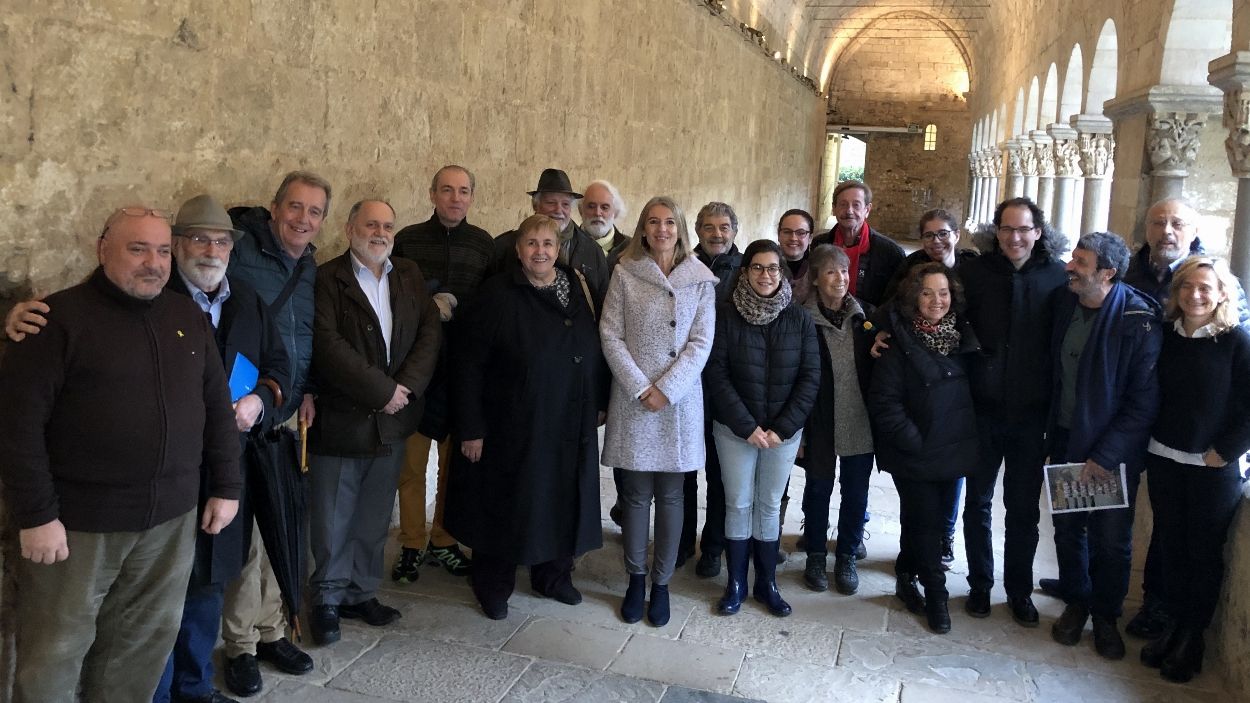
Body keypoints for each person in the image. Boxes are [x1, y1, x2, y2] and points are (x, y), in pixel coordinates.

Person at [0, 205, 240, 703]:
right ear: (102, 249)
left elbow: (216, 405)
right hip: (79, 526)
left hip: (171, 522)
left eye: (159, 250)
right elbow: (17, 428)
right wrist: (36, 515)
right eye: (136, 249)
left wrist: (226, 485)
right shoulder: (56, 320)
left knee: (141, 648)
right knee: (54, 654)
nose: (152, 262)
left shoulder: (186, 317)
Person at [155, 195, 291, 703]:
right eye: (199, 239)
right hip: (167, 469)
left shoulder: (247, 301)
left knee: (209, 584)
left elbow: (280, 369)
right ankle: (158, 693)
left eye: (220, 241)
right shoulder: (155, 296)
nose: (210, 251)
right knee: (159, 591)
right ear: (176, 245)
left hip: (227, 469)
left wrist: (259, 400)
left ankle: (192, 687)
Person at [444, 214, 607, 620]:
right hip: (513, 425)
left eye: (548, 244)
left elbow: (594, 348)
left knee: (559, 500)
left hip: (568, 421)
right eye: (531, 243)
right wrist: (471, 427)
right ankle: (493, 585)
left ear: (559, 248)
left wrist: (599, 399)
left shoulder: (576, 287)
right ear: (518, 250)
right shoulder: (498, 294)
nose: (540, 251)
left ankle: (553, 576)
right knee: (506, 504)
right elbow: (467, 364)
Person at [305, 200, 441, 646]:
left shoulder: (408, 274)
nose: (380, 232)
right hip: (345, 419)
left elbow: (428, 334)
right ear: (349, 229)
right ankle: (326, 599)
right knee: (332, 516)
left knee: (373, 515)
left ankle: (361, 593)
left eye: (387, 225)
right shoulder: (327, 280)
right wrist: (381, 391)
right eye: (370, 225)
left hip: (395, 420)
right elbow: (326, 345)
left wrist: (405, 389)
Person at [221, 171, 329, 695]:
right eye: (295, 207)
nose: (302, 219)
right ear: (273, 208)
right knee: (242, 532)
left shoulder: (308, 266)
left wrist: (304, 389)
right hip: (240, 409)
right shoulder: (241, 252)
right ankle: (240, 643)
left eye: (313, 212)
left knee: (274, 529)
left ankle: (269, 630)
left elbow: (302, 338)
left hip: (283, 410)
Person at [601, 196, 717, 627]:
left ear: (681, 229)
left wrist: (666, 389)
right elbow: (610, 335)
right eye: (654, 222)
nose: (663, 229)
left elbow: (701, 342)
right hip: (634, 402)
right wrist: (640, 387)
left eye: (670, 222)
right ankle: (635, 578)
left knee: (671, 496)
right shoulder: (626, 274)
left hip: (680, 403)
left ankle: (662, 582)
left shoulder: (701, 279)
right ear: (643, 230)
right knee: (633, 496)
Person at [1047, 232, 1161, 661]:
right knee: (1068, 530)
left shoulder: (1138, 319)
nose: (1070, 267)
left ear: (1108, 273)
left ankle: (1106, 616)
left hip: (1112, 454)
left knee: (1112, 541)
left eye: (1080, 261)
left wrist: (1105, 456)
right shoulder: (1066, 303)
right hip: (1067, 438)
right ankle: (1077, 603)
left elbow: (1142, 400)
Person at [1138, 257, 1250, 682]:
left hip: (1211, 468)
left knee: (1202, 556)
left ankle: (1192, 639)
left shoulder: (1236, 342)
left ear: (1222, 292)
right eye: (1187, 287)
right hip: (1165, 457)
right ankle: (1173, 628)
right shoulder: (1167, 336)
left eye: (1205, 288)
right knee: (1171, 547)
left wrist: (1226, 450)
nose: (1195, 295)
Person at [958, 197, 1067, 628]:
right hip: (982, 411)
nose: (1015, 237)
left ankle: (1019, 590)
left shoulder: (1059, 278)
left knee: (1022, 509)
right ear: (996, 231)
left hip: (1031, 415)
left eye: (1024, 229)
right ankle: (980, 585)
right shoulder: (974, 273)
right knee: (977, 504)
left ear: (1038, 232)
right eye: (1007, 229)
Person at [703, 239, 819, 617]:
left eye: (773, 268)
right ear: (745, 271)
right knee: (737, 502)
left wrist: (782, 429)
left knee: (769, 504)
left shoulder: (799, 318)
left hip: (782, 435)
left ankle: (766, 583)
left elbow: (809, 377)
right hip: (735, 430)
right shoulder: (725, 313)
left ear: (782, 272)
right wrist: (746, 425)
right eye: (757, 267)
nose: (765, 275)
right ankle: (735, 582)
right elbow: (716, 374)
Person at [390, 165, 494, 584]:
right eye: (447, 190)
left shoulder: (484, 245)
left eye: (463, 191)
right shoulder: (408, 239)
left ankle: (444, 539)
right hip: (416, 370)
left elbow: (490, 307)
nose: (455, 198)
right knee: (411, 466)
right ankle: (412, 542)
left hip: (463, 372)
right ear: (432, 194)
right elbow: (392, 296)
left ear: (471, 197)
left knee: (453, 466)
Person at [869, 263, 980, 635]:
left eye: (944, 292)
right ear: (914, 296)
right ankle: (936, 592)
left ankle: (904, 572)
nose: (937, 300)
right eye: (928, 292)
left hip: (953, 449)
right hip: (914, 452)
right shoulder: (895, 340)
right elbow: (885, 403)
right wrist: (916, 443)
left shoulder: (963, 336)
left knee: (926, 521)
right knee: (927, 523)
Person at [798, 244, 876, 596]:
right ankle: (816, 554)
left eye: (844, 271)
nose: (840, 278)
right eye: (830, 271)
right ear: (815, 278)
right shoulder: (801, 320)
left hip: (859, 419)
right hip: (819, 422)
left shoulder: (867, 319)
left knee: (856, 492)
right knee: (817, 490)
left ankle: (846, 555)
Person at [690, 202, 744, 579]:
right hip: (688, 385)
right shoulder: (684, 266)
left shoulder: (747, 270)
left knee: (722, 474)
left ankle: (714, 544)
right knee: (684, 472)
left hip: (728, 386)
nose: (716, 234)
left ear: (734, 231)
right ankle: (679, 540)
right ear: (697, 231)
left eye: (724, 227)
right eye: (708, 227)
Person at [493, 168, 610, 301]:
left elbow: (603, 304)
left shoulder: (593, 251)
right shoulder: (505, 246)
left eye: (565, 204)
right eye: (551, 203)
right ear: (535, 206)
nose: (558, 210)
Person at [813, 179, 905, 306]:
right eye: (843, 204)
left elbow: (895, 300)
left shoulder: (890, 252)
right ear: (834, 209)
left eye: (856, 205)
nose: (849, 211)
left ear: (867, 210)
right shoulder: (820, 244)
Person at [581, 179, 631, 265]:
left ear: (615, 213)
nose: (597, 213)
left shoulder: (631, 247)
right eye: (591, 206)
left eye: (604, 207)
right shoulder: (566, 245)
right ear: (580, 210)